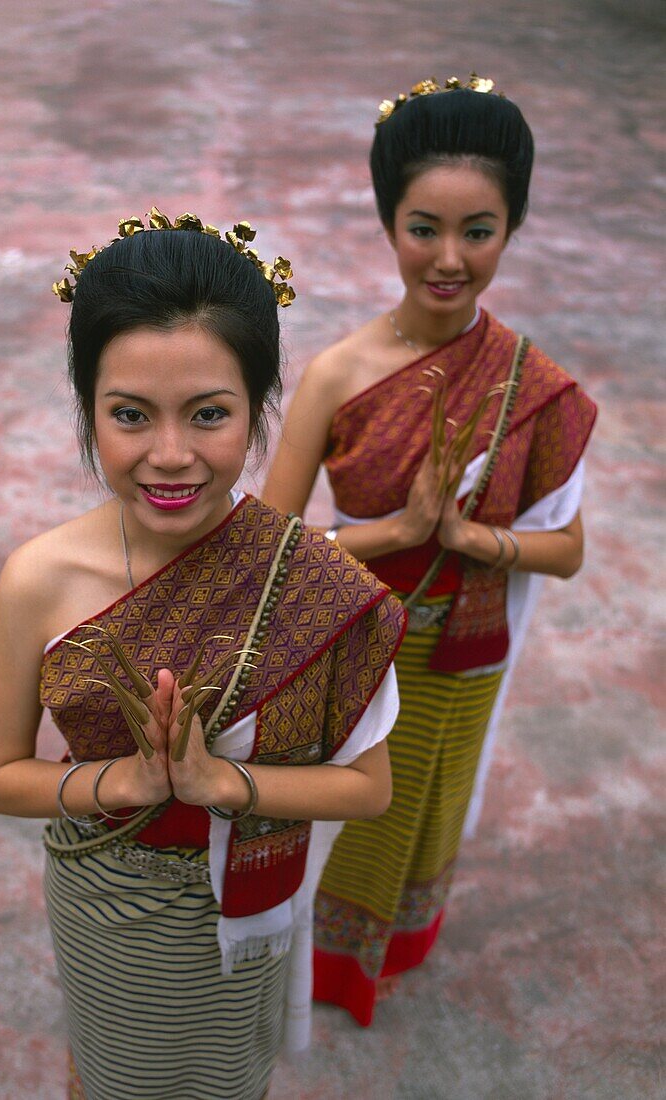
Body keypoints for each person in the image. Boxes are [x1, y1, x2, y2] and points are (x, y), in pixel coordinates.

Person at [0, 208, 406, 1100]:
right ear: (87, 409)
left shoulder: (311, 580)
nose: (170, 457)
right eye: (130, 415)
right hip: (105, 899)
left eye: (209, 414)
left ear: (258, 414)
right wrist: (124, 783)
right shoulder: (40, 579)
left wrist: (222, 787)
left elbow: (368, 786)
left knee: (224, 1079)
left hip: (246, 903)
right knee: (112, 1072)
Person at [263, 75, 597, 1027]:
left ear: (511, 226)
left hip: (465, 657)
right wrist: (400, 534)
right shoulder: (337, 374)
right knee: (346, 820)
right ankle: (313, 974)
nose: (448, 259)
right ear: (387, 219)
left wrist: (472, 539)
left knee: (431, 803)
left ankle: (390, 952)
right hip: (361, 647)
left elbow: (567, 550)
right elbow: (272, 550)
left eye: (479, 231)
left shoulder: (533, 383)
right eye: (423, 228)